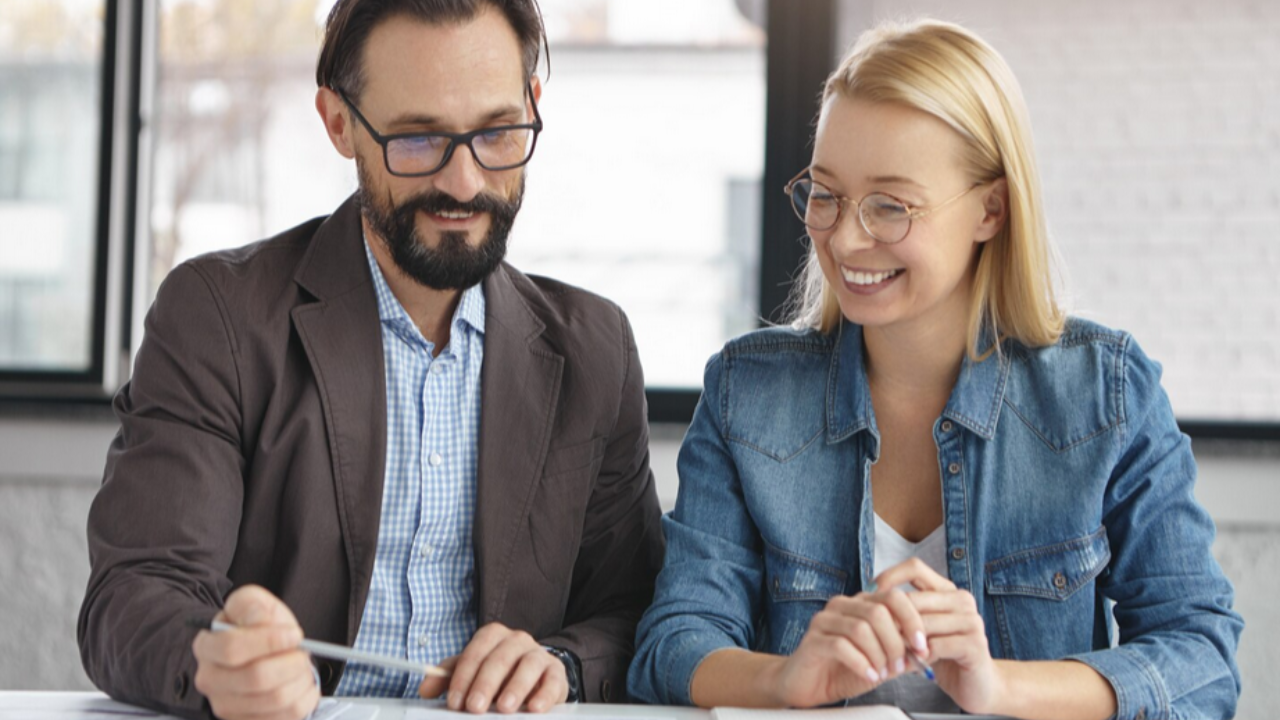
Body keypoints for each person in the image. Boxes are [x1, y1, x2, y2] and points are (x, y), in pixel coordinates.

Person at [628, 18, 1241, 720]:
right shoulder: (746, 391)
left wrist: (998, 686)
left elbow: (1202, 658)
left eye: (891, 205)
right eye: (825, 194)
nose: (846, 237)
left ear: (991, 209)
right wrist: (788, 679)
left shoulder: (1106, 393)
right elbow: (672, 643)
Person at [78, 1, 665, 718]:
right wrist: (213, 661)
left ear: (533, 103)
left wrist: (563, 665)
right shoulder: (217, 317)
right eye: (417, 141)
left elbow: (636, 613)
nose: (463, 182)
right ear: (338, 123)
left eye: (496, 131)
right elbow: (133, 594)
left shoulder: (595, 349)